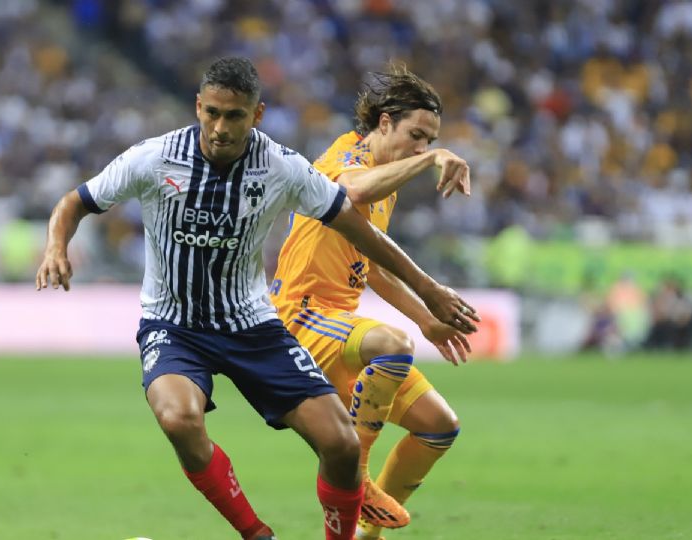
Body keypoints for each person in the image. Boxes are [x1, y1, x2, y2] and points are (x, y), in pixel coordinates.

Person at [35, 57, 480, 540]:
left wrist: (429, 292)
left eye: (235, 116)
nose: (220, 127)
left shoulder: (279, 166)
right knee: (179, 417)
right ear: (198, 107)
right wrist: (56, 245)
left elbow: (359, 231)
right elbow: (74, 202)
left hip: (252, 324)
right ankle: (256, 534)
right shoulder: (155, 157)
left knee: (345, 445)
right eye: (212, 113)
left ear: (257, 115)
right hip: (175, 323)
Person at [269, 65, 475, 539]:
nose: (421, 147)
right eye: (416, 136)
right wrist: (433, 159)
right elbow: (351, 192)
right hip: (301, 314)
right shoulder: (345, 156)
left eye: (429, 141)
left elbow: (376, 266)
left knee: (439, 427)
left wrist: (428, 320)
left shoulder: (389, 186)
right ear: (384, 123)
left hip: (338, 322)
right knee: (392, 345)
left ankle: (367, 533)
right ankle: (356, 474)